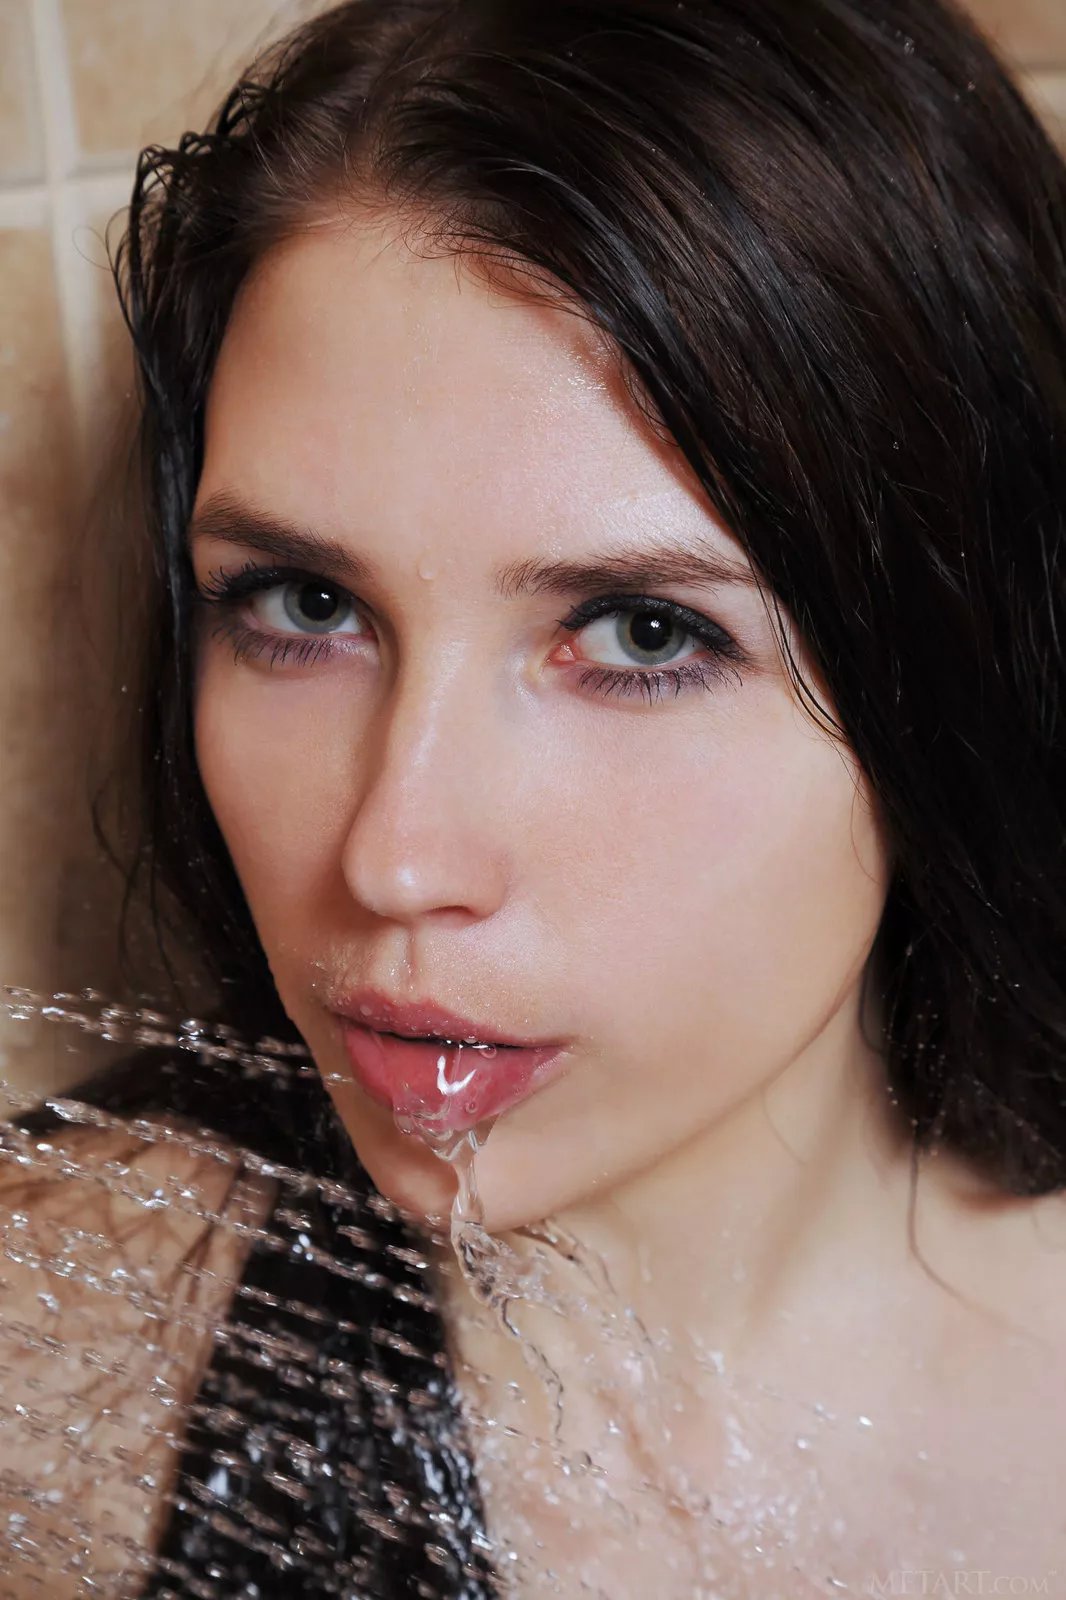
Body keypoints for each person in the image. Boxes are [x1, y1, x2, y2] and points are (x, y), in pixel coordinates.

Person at [2, 0, 1066, 1594]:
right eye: (303, 605)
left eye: (641, 636)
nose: (392, 857)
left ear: (952, 667)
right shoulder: (56, 1359)